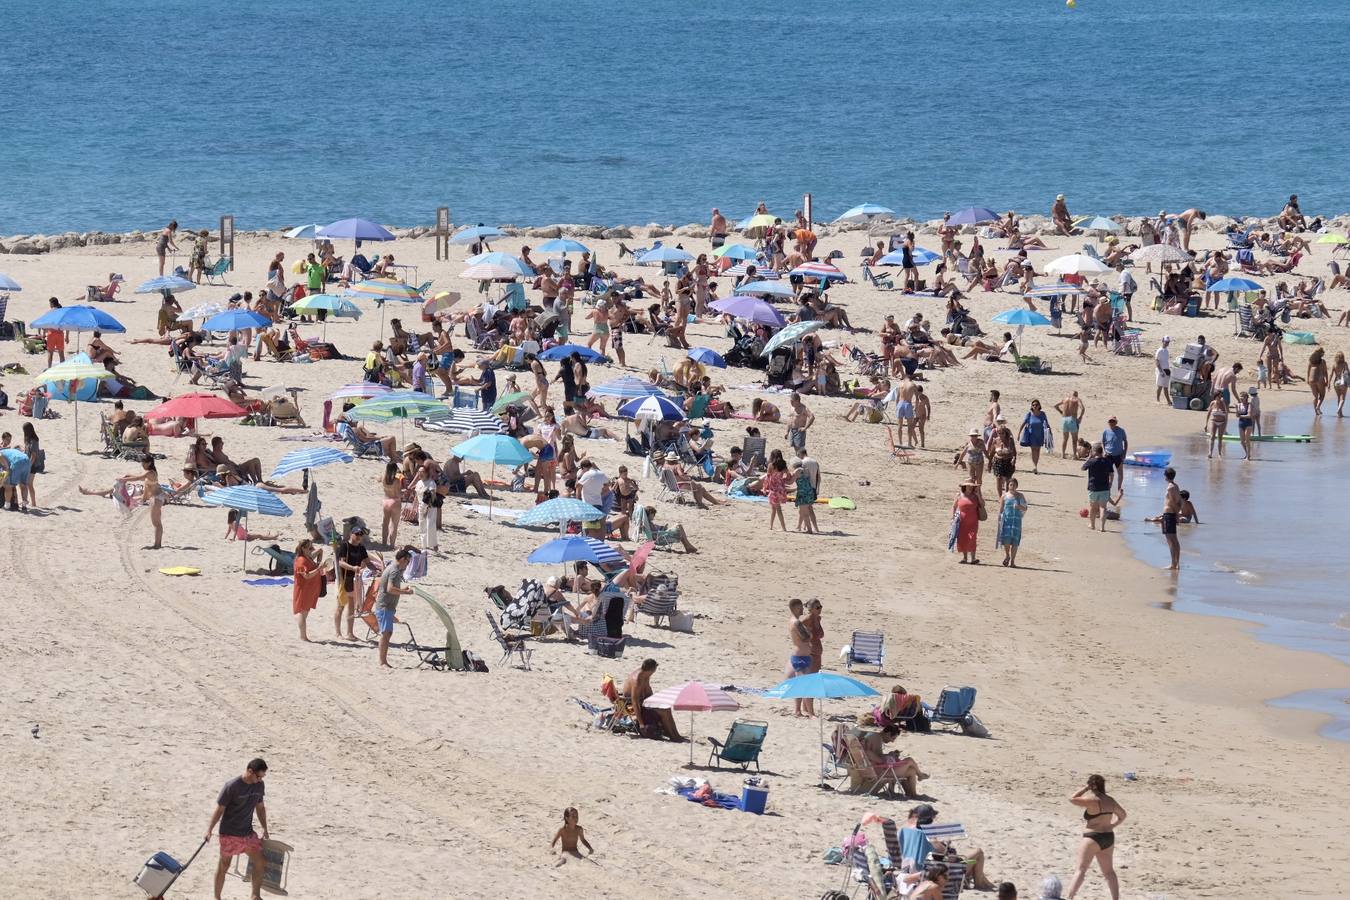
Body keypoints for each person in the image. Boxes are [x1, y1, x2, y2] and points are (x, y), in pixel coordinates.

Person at [206, 758, 269, 900]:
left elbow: (260, 808)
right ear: (249, 771)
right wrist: (209, 830)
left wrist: (265, 828)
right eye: (258, 776)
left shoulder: (259, 786)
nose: (260, 780)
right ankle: (217, 897)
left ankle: (255, 895)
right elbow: (219, 809)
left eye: (262, 777)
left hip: (247, 833)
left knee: (261, 861)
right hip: (229, 834)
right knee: (224, 866)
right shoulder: (232, 786)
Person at [1066, 775, 1126, 900]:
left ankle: (1069, 897)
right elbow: (1123, 815)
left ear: (1092, 785)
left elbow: (1072, 799)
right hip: (1108, 837)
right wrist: (1112, 825)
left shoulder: (1092, 800)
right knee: (1109, 872)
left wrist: (1085, 788)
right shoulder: (1111, 801)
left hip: (1092, 837)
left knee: (1081, 869)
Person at [623, 658, 684, 741]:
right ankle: (673, 736)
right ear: (651, 670)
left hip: (643, 703)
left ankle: (676, 734)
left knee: (667, 708)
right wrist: (641, 723)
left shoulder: (644, 674)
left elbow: (648, 691)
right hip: (632, 706)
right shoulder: (637, 680)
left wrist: (656, 702)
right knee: (664, 712)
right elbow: (635, 702)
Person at [375, 548, 414, 667]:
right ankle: (382, 662)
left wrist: (403, 590)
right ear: (402, 559)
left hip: (387, 607)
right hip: (385, 607)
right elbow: (390, 589)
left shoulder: (393, 568)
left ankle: (383, 661)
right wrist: (406, 592)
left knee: (388, 633)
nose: (407, 565)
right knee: (385, 633)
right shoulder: (394, 570)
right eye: (407, 562)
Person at [335, 526, 372, 640]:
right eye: (357, 534)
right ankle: (338, 633)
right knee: (341, 605)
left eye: (361, 535)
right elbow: (340, 563)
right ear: (351, 534)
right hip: (344, 578)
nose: (359, 537)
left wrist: (362, 567)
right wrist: (352, 567)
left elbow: (367, 561)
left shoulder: (361, 548)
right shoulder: (345, 546)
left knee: (352, 606)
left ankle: (350, 633)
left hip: (354, 579)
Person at [291, 539, 324, 642]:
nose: (311, 549)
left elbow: (320, 550)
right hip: (303, 589)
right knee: (302, 612)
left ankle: (303, 636)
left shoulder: (308, 557)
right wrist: (319, 568)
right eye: (309, 548)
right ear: (303, 548)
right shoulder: (301, 560)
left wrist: (318, 562)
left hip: (310, 589)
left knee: (305, 611)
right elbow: (307, 576)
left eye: (312, 547)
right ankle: (303, 636)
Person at [787, 599, 815, 717]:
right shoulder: (797, 623)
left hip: (800, 655)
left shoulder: (792, 621)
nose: (803, 610)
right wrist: (810, 633)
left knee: (800, 684)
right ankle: (810, 713)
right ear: (796, 608)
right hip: (801, 657)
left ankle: (798, 711)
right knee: (806, 684)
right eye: (801, 608)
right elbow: (806, 637)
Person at [1081, 443, 1114, 533]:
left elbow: (1083, 468)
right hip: (1105, 487)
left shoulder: (1092, 461)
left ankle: (1092, 525)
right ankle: (1102, 527)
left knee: (1093, 507)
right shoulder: (1107, 461)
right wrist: (1111, 482)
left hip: (1093, 487)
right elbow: (1111, 473)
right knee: (1103, 508)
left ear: (1094, 452)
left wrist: (1089, 458)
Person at [950, 481, 985, 564]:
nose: (969, 487)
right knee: (962, 538)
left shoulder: (976, 496)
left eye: (971, 486)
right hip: (961, 521)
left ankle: (973, 558)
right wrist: (953, 517)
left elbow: (983, 504)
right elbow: (954, 506)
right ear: (964, 487)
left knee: (972, 538)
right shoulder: (959, 495)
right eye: (967, 486)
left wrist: (978, 494)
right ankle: (965, 558)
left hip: (973, 521)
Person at [997, 478, 1028, 567]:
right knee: (1006, 540)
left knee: (1015, 542)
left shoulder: (1020, 496)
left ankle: (1013, 561)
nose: (1012, 486)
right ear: (1008, 486)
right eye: (1010, 485)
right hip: (1007, 521)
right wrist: (999, 519)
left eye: (1014, 485)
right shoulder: (1004, 496)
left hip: (1017, 522)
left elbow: (1025, 508)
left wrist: (1019, 506)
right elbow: (1001, 509)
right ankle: (1007, 555)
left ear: (1017, 486)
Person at [1017, 400, 1051, 474]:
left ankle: (1036, 465)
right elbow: (1023, 423)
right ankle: (1034, 466)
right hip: (1031, 435)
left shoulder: (1042, 414)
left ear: (1039, 406)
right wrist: (1019, 433)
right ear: (1031, 406)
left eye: (1036, 405)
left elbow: (1047, 424)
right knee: (1033, 450)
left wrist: (1050, 433)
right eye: (1033, 405)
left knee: (1038, 450)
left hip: (1040, 435)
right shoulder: (1029, 414)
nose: (1035, 406)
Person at [1159, 467, 1182, 570]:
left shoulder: (1170, 487)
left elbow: (1173, 502)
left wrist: (1176, 515)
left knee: (1171, 540)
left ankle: (1173, 564)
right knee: (1174, 540)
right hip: (1170, 514)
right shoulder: (1176, 486)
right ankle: (1177, 563)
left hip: (1169, 514)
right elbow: (1179, 502)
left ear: (1166, 476)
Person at [1054, 391, 1085, 459]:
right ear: (1076, 394)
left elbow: (1055, 406)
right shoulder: (1077, 399)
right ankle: (1074, 455)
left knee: (1065, 439)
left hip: (1064, 419)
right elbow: (1082, 408)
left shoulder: (1065, 399)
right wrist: (1080, 417)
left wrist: (1061, 412)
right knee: (1074, 439)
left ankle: (1063, 454)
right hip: (1072, 419)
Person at [1100, 417, 1128, 493]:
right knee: (1110, 473)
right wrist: (1104, 451)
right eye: (1110, 421)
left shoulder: (1121, 431)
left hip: (1118, 455)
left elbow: (1125, 442)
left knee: (1120, 472)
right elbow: (1102, 442)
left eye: (1113, 421)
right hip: (1108, 455)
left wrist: (1124, 453)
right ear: (1108, 422)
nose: (1111, 423)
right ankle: (1109, 487)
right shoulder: (1105, 431)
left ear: (1116, 422)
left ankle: (1119, 488)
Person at [792, 459, 818, 533]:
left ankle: (809, 530)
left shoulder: (797, 471)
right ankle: (800, 526)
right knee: (803, 511)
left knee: (805, 513)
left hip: (803, 493)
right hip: (809, 491)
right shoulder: (805, 470)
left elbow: (790, 481)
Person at [764, 456, 789, 531]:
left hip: (774, 489)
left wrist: (765, 488)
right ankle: (771, 526)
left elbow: (767, 477)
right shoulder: (783, 466)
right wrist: (783, 480)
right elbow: (789, 475)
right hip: (780, 488)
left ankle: (783, 528)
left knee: (776, 509)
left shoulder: (771, 466)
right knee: (775, 509)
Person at [1204, 392, 1229, 458]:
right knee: (1212, 436)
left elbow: (1226, 414)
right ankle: (1210, 453)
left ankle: (1219, 453)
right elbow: (1208, 414)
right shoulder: (1212, 403)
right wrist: (1206, 424)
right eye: (1219, 396)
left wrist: (1226, 425)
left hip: (1222, 422)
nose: (1220, 398)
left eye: (1221, 396)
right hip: (1213, 421)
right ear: (1216, 396)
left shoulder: (1223, 403)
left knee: (1220, 438)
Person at [1307, 347, 1329, 416]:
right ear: (1321, 354)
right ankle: (1318, 407)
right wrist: (1327, 381)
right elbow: (1325, 372)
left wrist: (1307, 379)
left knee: (1315, 397)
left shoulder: (1311, 361)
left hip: (1311, 379)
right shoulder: (1322, 361)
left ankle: (1316, 412)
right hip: (1319, 378)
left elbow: (1308, 371)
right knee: (1322, 395)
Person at [1154, 336, 1171, 403]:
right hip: (1161, 370)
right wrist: (1161, 371)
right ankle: (1158, 399)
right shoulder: (1159, 350)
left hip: (1166, 370)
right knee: (1160, 386)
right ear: (1163, 341)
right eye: (1166, 342)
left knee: (1166, 387)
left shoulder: (1166, 350)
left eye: (1168, 342)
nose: (1167, 343)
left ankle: (1168, 401)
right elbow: (1157, 361)